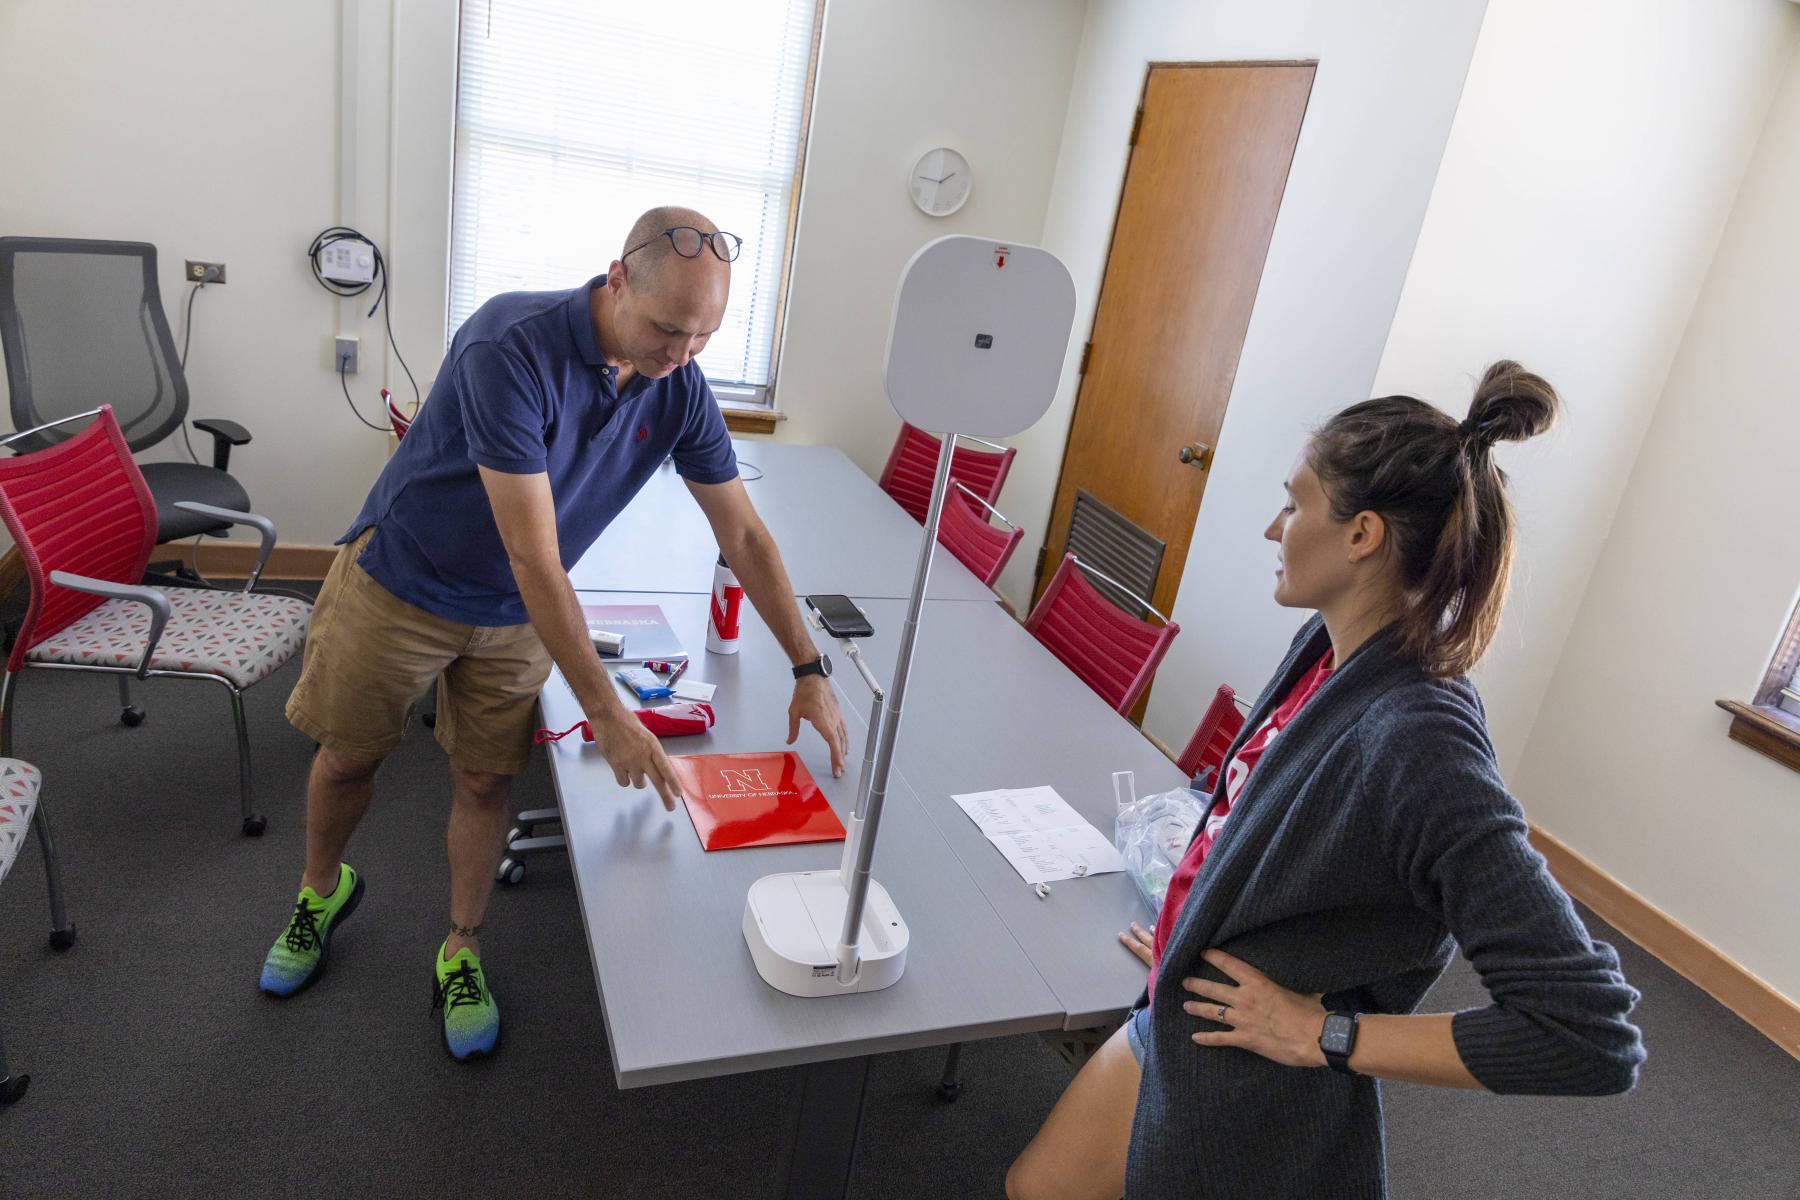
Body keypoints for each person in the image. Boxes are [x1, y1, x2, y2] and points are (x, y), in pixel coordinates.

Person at [1007, 362, 1645, 1199]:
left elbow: (1587, 1033)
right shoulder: (1328, 651)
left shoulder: (1421, 741)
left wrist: (1324, 1034)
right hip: (1191, 1014)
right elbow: (1264, 824)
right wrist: (1192, 925)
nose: (1276, 528)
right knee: (1038, 1187)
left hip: (1258, 1083)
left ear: (1362, 535)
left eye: (1295, 503)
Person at [257, 206, 849, 1062]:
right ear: (617, 279)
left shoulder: (676, 384)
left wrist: (808, 665)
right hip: (404, 582)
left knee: (484, 779)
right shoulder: (512, 345)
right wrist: (607, 710)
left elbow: (746, 538)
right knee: (349, 757)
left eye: (703, 336)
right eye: (667, 329)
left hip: (513, 618)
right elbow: (534, 556)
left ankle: (461, 945)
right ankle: (319, 893)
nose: (680, 355)